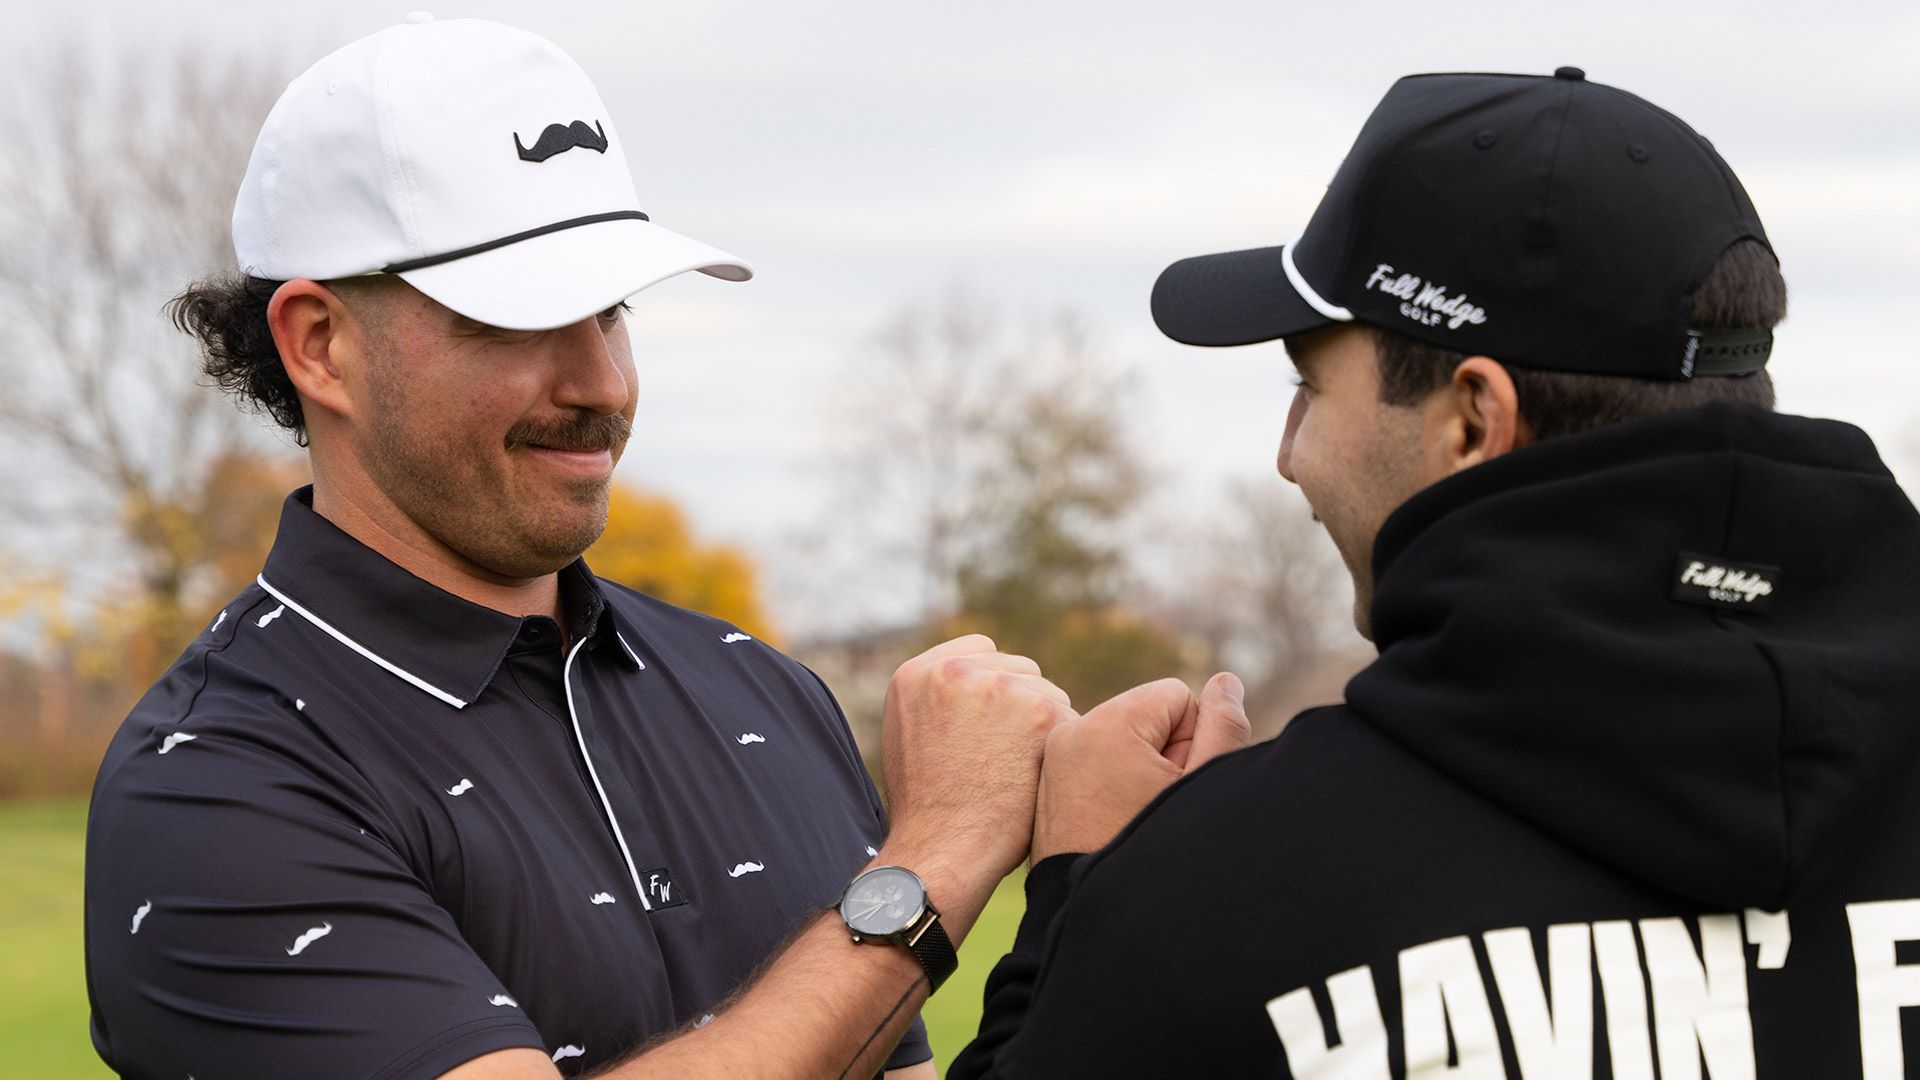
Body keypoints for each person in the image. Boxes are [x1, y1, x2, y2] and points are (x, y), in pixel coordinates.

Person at [82, 15, 1253, 1079]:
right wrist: (938, 852)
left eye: (614, 309)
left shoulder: (760, 688)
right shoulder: (217, 782)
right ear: (321, 344)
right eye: (523, 316)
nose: (600, 382)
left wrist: (1086, 888)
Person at [951, 68, 1920, 1077]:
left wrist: (1084, 882)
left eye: (1309, 386)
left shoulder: (1236, 884)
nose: (1290, 455)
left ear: (1471, 420)